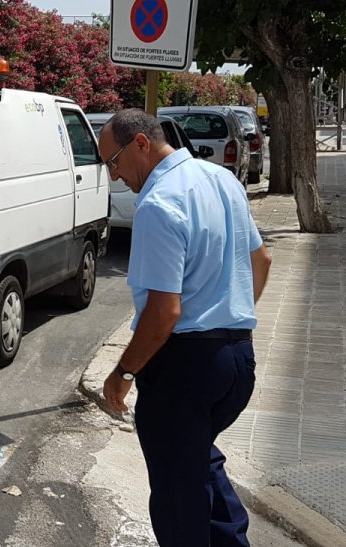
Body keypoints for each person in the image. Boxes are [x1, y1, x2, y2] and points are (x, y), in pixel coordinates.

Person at [96, 109, 273, 546]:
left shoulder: (159, 203)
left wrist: (123, 373)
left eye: (114, 161)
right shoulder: (223, 180)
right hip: (236, 361)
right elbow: (262, 261)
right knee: (199, 461)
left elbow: (163, 313)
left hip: (184, 369)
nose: (115, 176)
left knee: (179, 497)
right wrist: (226, 315)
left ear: (141, 144)